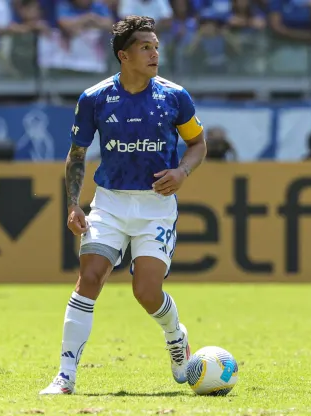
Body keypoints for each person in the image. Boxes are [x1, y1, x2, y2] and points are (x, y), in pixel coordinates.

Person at [39, 14, 208, 395]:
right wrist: (73, 205)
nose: (154, 54)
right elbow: (76, 155)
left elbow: (198, 145)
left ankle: (175, 337)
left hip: (156, 208)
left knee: (146, 291)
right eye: (145, 47)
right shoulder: (95, 99)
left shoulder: (174, 96)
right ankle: (65, 376)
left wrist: (182, 172)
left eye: (156, 47)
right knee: (90, 278)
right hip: (110, 205)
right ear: (123, 56)